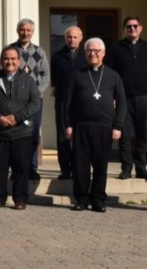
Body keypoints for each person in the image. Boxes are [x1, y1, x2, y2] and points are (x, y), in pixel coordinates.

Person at [63, 38, 126, 213]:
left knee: (100, 165)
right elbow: (67, 103)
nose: (93, 54)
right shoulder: (77, 75)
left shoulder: (113, 76)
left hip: (104, 127)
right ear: (85, 54)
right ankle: (82, 199)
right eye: (89, 51)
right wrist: (68, 125)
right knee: (80, 165)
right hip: (81, 126)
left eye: (97, 51)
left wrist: (118, 126)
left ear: (103, 53)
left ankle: (98, 199)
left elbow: (122, 103)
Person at [0, 46, 40, 210]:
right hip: (1, 132)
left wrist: (17, 117)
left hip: (22, 132)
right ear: (1, 61)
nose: (10, 62)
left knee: (21, 168)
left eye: (13, 59)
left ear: (19, 62)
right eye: (6, 58)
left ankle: (20, 198)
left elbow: (35, 103)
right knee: (0, 168)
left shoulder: (28, 80)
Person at [106, 16, 147, 181]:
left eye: (135, 26)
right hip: (124, 98)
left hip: (144, 97)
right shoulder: (116, 48)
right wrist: (113, 96)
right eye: (128, 27)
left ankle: (141, 167)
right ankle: (126, 168)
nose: (132, 29)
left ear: (141, 28)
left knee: (142, 133)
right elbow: (110, 73)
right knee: (124, 134)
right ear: (124, 29)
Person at [9, 18, 50, 180]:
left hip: (35, 101)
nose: (25, 33)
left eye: (28, 30)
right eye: (22, 30)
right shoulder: (10, 50)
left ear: (32, 32)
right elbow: (5, 73)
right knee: (15, 134)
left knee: (33, 134)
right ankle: (16, 168)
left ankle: (32, 167)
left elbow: (45, 75)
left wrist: (34, 93)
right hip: (15, 100)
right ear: (18, 30)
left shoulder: (39, 52)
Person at [50, 26, 87, 180]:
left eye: (75, 37)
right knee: (63, 135)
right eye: (69, 37)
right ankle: (65, 170)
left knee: (81, 135)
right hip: (63, 100)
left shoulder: (86, 55)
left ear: (81, 38)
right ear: (65, 38)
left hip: (82, 101)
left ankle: (80, 168)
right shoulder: (57, 56)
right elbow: (54, 79)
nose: (72, 39)